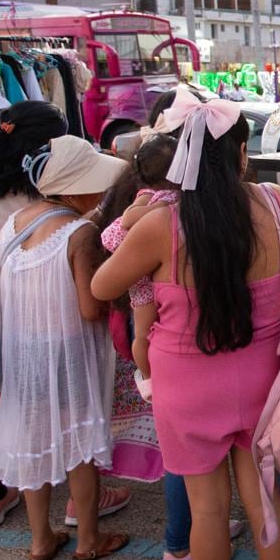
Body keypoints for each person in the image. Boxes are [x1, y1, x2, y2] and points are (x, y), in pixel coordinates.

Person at [91, 90, 280, 560]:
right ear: (241, 154)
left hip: (186, 387)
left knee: (209, 513)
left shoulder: (161, 223)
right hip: (262, 378)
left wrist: (137, 215)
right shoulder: (275, 205)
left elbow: (102, 284)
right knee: (265, 502)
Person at [0, 101, 131, 530]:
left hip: (0, 306)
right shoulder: (68, 215)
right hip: (61, 318)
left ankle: (4, 508)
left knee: (14, 414)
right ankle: (84, 522)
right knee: (75, 424)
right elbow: (89, 303)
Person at [0, 135, 131, 560]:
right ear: (72, 189)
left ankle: (39, 541)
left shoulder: (15, 223)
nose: (101, 192)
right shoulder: (81, 232)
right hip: (69, 352)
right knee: (78, 445)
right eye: (94, 183)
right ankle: (88, 539)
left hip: (23, 351)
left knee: (36, 435)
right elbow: (91, 309)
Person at [99, 135, 180, 399]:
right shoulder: (147, 196)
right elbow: (128, 219)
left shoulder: (179, 193)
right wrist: (160, 208)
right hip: (139, 272)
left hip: (156, 265)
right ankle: (148, 378)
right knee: (143, 331)